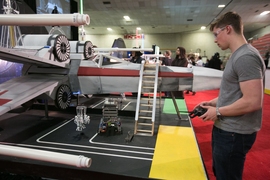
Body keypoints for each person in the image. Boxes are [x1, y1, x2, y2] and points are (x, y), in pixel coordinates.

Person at [192, 11, 266, 180]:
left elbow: (253, 101)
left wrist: (218, 112)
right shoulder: (238, 55)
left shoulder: (245, 57)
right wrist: (212, 103)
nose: (215, 40)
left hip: (234, 133)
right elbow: (234, 94)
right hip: (228, 129)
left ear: (228, 29)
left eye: (216, 34)